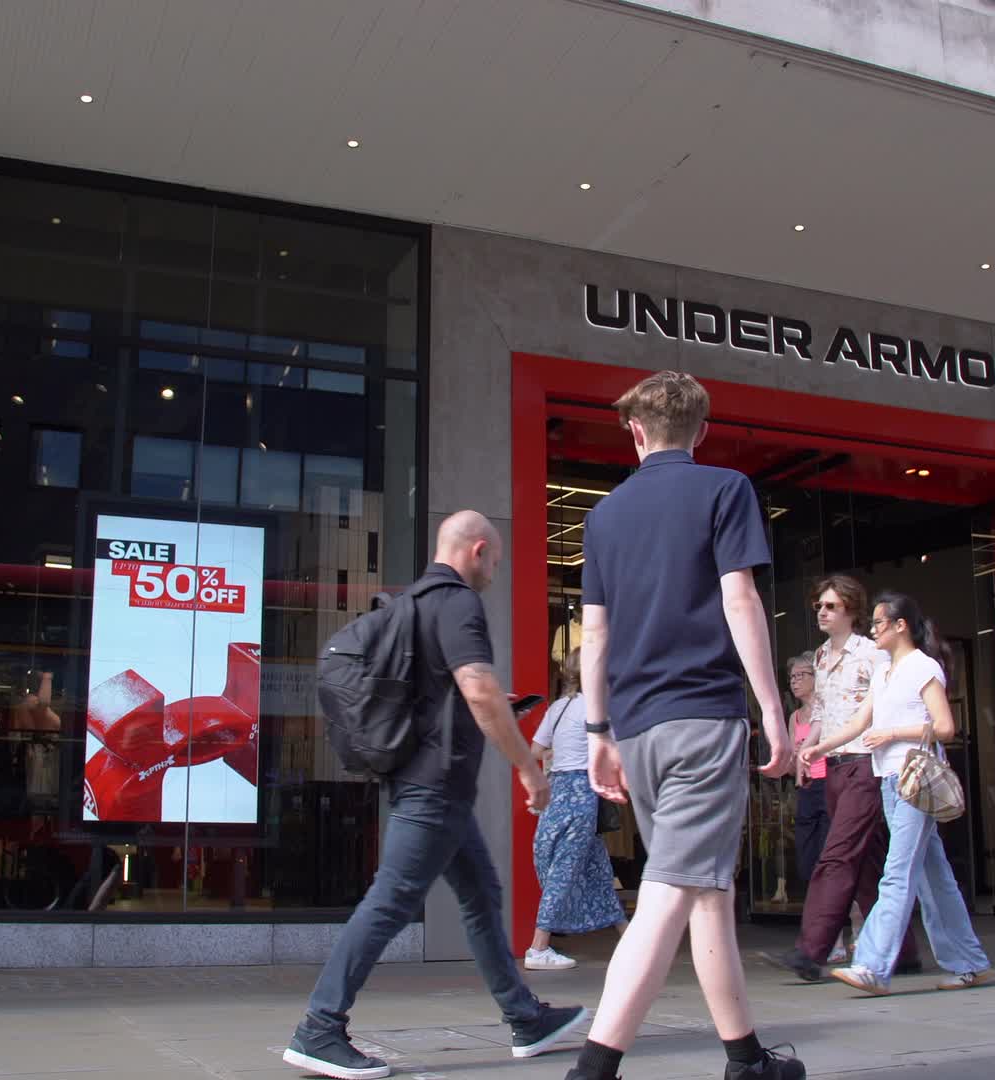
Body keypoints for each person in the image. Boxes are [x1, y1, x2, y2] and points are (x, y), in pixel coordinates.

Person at [284, 511, 585, 1079]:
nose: (495, 571)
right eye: (495, 560)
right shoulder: (458, 602)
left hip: (433, 785)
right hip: (434, 788)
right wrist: (529, 769)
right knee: (391, 901)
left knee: (481, 896)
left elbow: (447, 693)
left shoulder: (416, 603)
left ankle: (525, 1018)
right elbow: (478, 689)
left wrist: (492, 707)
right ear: (478, 550)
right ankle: (319, 1027)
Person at [564, 371, 804, 1080]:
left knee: (708, 893)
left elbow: (595, 636)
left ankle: (747, 1060)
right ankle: (591, 1071)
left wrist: (598, 732)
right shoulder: (725, 489)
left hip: (637, 729)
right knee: (671, 892)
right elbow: (740, 600)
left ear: (635, 431)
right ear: (702, 431)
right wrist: (773, 709)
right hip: (702, 718)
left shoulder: (603, 517)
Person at [806, 590, 993, 996]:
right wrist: (821, 748)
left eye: (878, 623)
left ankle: (872, 966)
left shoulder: (922, 667)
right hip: (891, 780)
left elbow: (945, 727)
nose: (873, 630)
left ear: (900, 626)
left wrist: (892, 733)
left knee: (897, 873)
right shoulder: (884, 672)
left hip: (913, 779)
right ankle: (969, 962)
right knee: (933, 876)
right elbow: (859, 722)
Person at [766, 574, 923, 983]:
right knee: (867, 862)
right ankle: (903, 951)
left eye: (831, 605)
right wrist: (808, 748)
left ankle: (811, 949)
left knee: (837, 855)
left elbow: (881, 707)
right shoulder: (820, 656)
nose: (822, 611)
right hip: (834, 766)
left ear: (851, 610)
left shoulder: (872, 653)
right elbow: (822, 711)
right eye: (819, 605)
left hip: (865, 763)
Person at [527, 647, 628, 971]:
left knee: (597, 869)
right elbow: (617, 749)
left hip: (557, 790)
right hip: (582, 793)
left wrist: (561, 754)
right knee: (565, 867)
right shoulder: (598, 708)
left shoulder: (558, 707)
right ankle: (538, 947)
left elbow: (536, 750)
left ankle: (629, 938)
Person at [783, 654, 823, 910]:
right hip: (806, 788)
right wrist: (793, 756)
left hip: (828, 783)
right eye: (792, 677)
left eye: (801, 676)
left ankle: (852, 918)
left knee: (830, 854)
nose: (795, 682)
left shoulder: (828, 710)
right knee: (807, 857)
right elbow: (790, 767)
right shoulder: (794, 717)